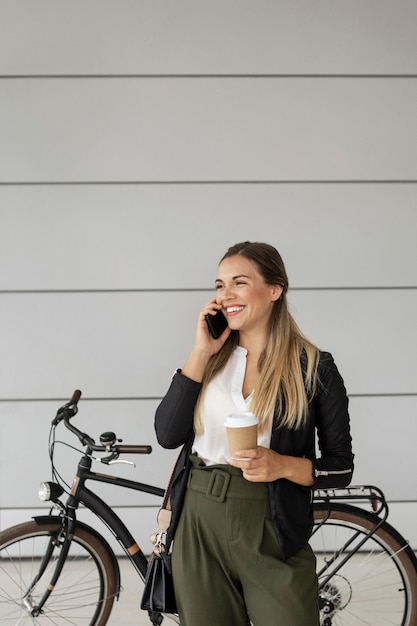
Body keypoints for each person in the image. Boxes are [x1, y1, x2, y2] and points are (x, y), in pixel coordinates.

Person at [155, 241, 354, 626]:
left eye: (239, 283)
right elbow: (167, 433)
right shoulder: (209, 359)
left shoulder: (313, 367)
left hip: (270, 520)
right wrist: (199, 352)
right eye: (219, 285)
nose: (225, 295)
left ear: (275, 289)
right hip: (198, 518)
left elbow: (341, 468)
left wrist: (282, 464)